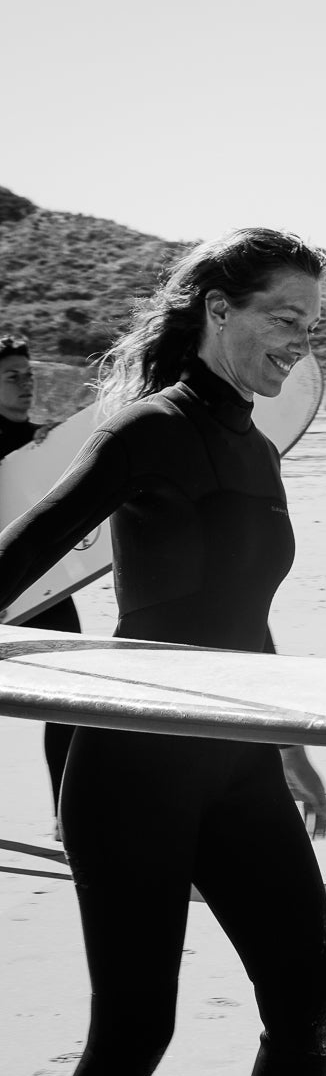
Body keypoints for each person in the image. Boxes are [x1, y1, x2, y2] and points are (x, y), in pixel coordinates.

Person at [0, 230, 326, 1076]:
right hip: (131, 768)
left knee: (309, 1012)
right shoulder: (143, 432)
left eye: (312, 327)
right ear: (218, 310)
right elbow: (14, 572)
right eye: (285, 318)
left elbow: (245, 614)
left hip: (236, 762)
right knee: (136, 1030)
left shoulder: (255, 443)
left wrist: (289, 743)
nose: (299, 343)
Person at [0, 333, 81, 833]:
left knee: (68, 699)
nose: (25, 385)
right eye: (12, 377)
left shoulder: (44, 443)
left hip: (43, 587)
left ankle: (66, 813)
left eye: (28, 376)